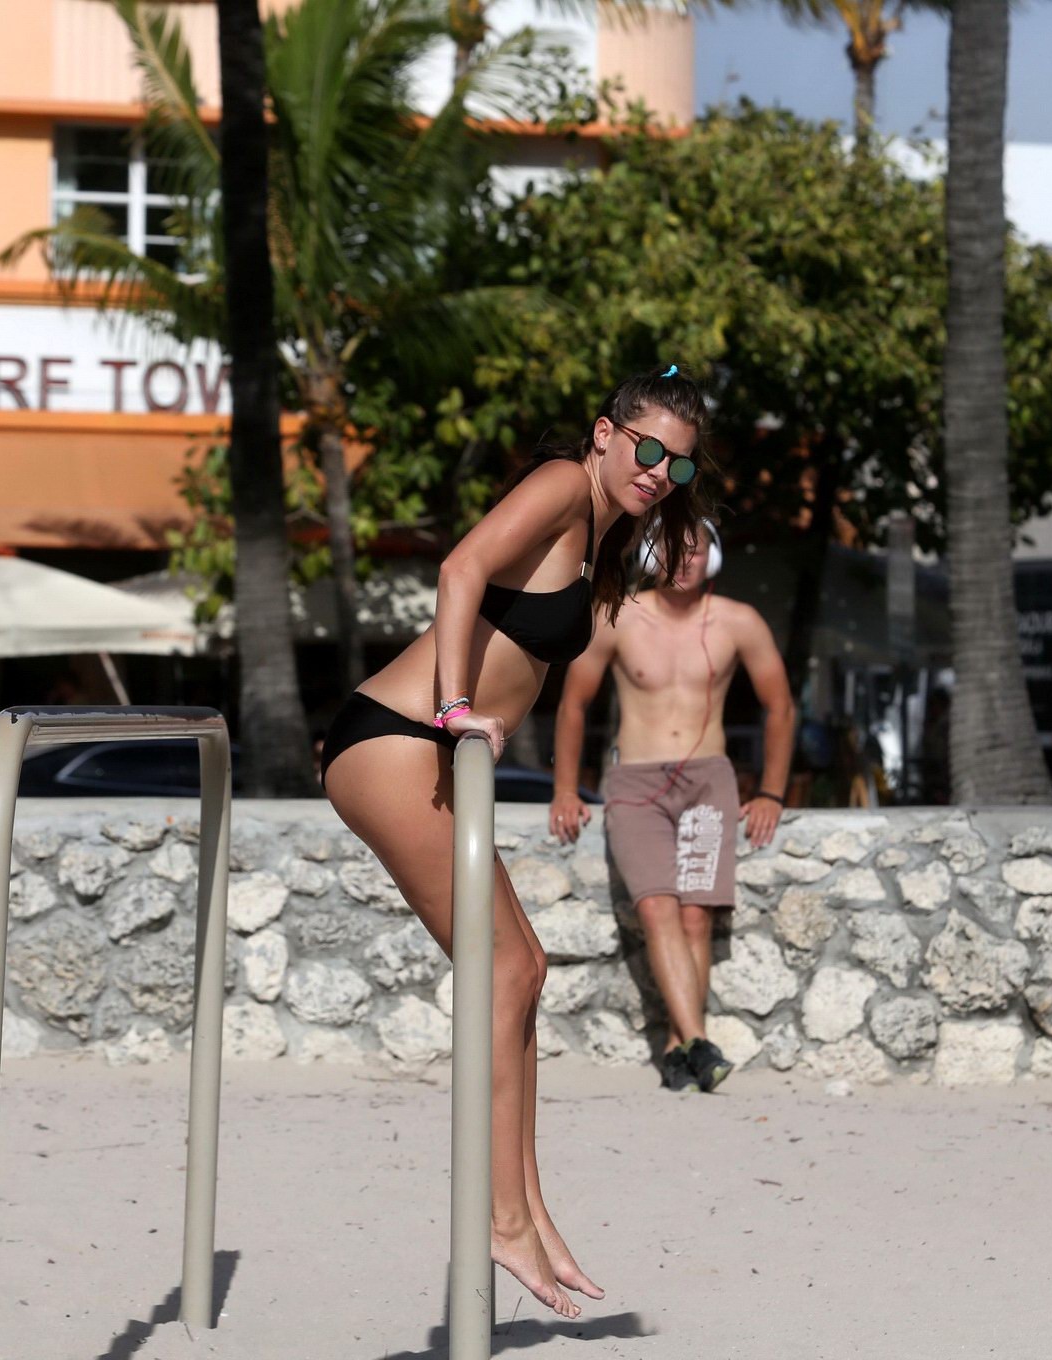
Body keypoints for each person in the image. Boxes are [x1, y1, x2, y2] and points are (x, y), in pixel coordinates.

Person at [319, 367, 715, 1318]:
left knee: (522, 969)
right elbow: (459, 569)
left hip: (431, 750)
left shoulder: (604, 531)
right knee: (504, 973)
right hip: (398, 739)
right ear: (607, 434)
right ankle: (501, 1218)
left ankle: (525, 1210)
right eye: (649, 449)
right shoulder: (560, 487)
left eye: (681, 466)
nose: (660, 473)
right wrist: (457, 710)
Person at [547, 518, 795, 1093]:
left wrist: (772, 792)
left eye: (697, 547)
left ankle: (679, 1049)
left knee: (695, 917)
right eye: (674, 548)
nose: (685, 558)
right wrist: (565, 787)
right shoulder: (617, 616)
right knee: (657, 908)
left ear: (713, 555)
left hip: (710, 782)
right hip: (635, 786)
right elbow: (573, 705)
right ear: (654, 554)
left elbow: (779, 707)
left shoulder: (739, 622)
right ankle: (700, 1042)